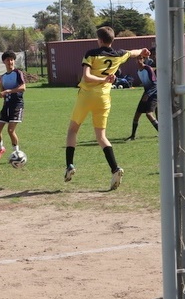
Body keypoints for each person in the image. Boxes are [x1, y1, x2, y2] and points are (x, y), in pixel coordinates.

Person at [64, 26, 150, 190]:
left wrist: (101, 80)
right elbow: (133, 52)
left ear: (99, 40)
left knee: (73, 130)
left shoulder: (91, 53)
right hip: (104, 99)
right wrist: (143, 51)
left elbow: (87, 77)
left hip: (87, 96)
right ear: (112, 40)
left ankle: (69, 165)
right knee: (101, 136)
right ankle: (115, 169)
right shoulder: (119, 54)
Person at [0, 50, 26, 162]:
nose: (10, 62)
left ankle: (17, 153)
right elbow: (2, 94)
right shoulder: (3, 77)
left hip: (17, 105)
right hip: (6, 106)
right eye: (7, 60)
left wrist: (8, 91)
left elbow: (23, 88)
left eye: (11, 59)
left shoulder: (18, 73)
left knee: (10, 130)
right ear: (4, 62)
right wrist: (0, 84)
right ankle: (1, 148)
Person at [125, 54, 158, 140]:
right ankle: (132, 136)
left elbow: (155, 84)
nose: (139, 60)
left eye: (140, 58)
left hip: (154, 94)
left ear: (143, 59)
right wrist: (146, 94)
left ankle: (163, 134)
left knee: (149, 114)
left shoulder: (148, 69)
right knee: (137, 115)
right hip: (146, 93)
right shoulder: (138, 71)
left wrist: (148, 94)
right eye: (137, 59)